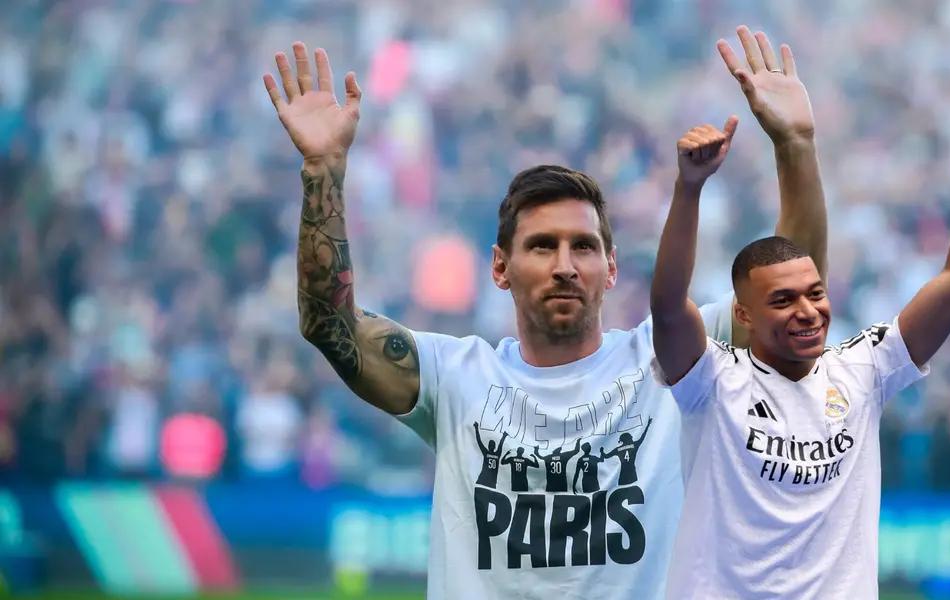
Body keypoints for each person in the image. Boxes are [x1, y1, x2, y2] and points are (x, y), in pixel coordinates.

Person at [262, 26, 828, 598]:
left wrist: (796, 144)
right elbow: (328, 325)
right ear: (500, 268)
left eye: (582, 246)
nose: (564, 265)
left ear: (610, 268)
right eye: (541, 245)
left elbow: (794, 291)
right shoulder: (453, 377)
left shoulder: (673, 363)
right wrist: (323, 169)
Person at [650, 95, 950, 598]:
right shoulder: (712, 381)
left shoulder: (863, 369)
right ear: (742, 315)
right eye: (783, 300)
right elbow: (669, 306)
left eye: (816, 293)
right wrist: (689, 189)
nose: (808, 310)